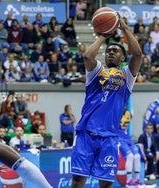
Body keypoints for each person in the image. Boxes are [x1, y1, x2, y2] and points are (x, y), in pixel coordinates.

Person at [70, 14, 142, 188]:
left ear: (122, 58)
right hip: (86, 134)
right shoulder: (96, 71)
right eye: (108, 51)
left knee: (106, 183)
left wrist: (124, 27)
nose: (110, 52)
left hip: (109, 137)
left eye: (115, 51)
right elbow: (87, 57)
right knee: (78, 180)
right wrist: (104, 34)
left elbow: (138, 54)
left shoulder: (127, 76)